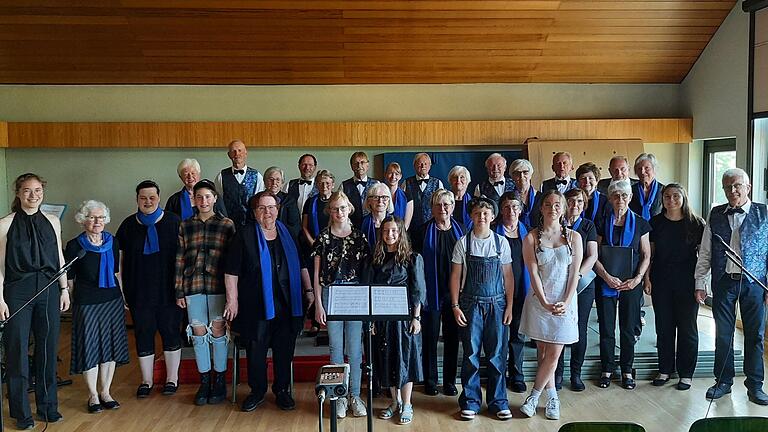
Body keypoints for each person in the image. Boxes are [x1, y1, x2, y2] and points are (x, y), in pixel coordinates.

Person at [225, 191, 312, 412]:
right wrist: (232, 300)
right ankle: (257, 391)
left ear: (278, 209)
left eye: (271, 207)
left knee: (284, 349)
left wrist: (309, 290)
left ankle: (282, 390)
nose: (267, 212)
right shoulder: (243, 235)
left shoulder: (289, 233)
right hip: (255, 306)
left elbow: (301, 264)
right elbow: (231, 271)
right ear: (254, 213)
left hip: (287, 304)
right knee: (256, 350)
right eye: (262, 208)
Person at [0, 173, 70, 429]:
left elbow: (59, 256)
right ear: (18, 193)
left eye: (38, 190)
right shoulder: (5, 224)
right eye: (27, 190)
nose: (33, 195)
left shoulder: (52, 221)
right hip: (17, 291)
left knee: (48, 350)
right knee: (17, 351)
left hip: (50, 288)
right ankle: (21, 413)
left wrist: (64, 289)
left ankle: (48, 407)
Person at [694, 168, 768, 405]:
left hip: (754, 283)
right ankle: (723, 381)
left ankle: (755, 386)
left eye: (737, 185)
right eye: (727, 187)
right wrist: (700, 282)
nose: (732, 190)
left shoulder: (764, 213)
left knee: (755, 336)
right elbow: (705, 251)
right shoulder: (715, 214)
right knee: (723, 335)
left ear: (748, 187)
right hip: (724, 282)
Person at [518, 190, 583, 420]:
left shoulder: (574, 237)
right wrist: (544, 301)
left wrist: (565, 300)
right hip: (540, 301)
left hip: (565, 301)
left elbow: (575, 273)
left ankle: (534, 397)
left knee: (554, 353)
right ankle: (553, 397)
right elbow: (533, 273)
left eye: (557, 205)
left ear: (564, 209)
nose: (553, 208)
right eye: (548, 204)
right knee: (543, 353)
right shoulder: (531, 238)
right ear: (541, 208)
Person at [116, 180, 183, 399]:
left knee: (171, 333)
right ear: (136, 199)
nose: (148, 201)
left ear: (159, 198)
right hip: (139, 292)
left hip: (169, 291)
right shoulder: (127, 226)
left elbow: (185, 258)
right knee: (143, 335)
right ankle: (146, 380)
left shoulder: (174, 222)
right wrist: (123, 290)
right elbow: (120, 261)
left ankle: (172, 378)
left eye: (152, 197)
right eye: (143, 198)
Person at [450, 197, 514, 421]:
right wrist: (456, 306)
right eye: (477, 213)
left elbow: (508, 276)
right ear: (471, 216)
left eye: (486, 213)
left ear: (493, 216)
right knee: (470, 355)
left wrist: (510, 306)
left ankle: (498, 402)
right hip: (470, 304)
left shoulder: (501, 243)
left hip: (497, 304)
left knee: (497, 355)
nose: (482, 217)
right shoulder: (463, 243)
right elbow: (456, 276)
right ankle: (470, 401)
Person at [174, 180, 236, 406]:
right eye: (199, 197)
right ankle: (205, 380)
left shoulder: (226, 224)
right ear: (194, 200)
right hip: (193, 285)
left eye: (207, 197)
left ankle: (219, 380)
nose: (203, 201)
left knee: (218, 331)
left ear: (215, 199)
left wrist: (233, 293)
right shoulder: (185, 225)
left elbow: (232, 262)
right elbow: (179, 258)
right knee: (198, 332)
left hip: (218, 285)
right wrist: (179, 290)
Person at [66, 200, 129, 414]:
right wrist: (72, 301)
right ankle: (92, 394)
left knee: (110, 347)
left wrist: (122, 296)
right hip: (86, 302)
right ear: (83, 220)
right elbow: (70, 279)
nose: (97, 221)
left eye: (101, 217)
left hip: (111, 299)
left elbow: (117, 272)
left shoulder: (113, 241)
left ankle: (106, 392)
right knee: (90, 347)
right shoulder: (75, 245)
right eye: (92, 217)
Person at [312, 191, 371, 419]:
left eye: (343, 208)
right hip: (331, 293)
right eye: (335, 209)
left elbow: (366, 273)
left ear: (349, 210)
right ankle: (338, 396)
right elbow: (317, 274)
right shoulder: (323, 238)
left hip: (354, 294)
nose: (339, 212)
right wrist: (318, 304)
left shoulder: (359, 237)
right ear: (330, 211)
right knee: (336, 348)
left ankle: (354, 395)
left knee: (355, 349)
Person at [593, 180, 651, 390]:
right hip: (606, 281)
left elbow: (646, 255)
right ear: (609, 199)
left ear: (630, 198)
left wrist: (638, 279)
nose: (620, 200)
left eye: (624, 196)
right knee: (607, 328)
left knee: (628, 329)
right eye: (616, 196)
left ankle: (627, 369)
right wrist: (607, 276)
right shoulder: (601, 221)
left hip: (631, 283)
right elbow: (595, 255)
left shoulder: (641, 222)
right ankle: (607, 369)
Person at [646, 184, 704, 391]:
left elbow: (703, 258)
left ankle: (686, 373)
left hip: (688, 282)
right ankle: (665, 369)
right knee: (664, 327)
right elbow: (649, 255)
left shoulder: (696, 224)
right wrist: (647, 278)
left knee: (688, 329)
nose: (671, 200)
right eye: (667, 196)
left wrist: (701, 284)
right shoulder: (655, 223)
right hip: (661, 280)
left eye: (676, 196)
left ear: (683, 198)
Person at [410, 189, 465, 397]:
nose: (442, 208)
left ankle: (450, 381)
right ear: (432, 208)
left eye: (446, 205)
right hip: (430, 293)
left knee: (452, 337)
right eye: (438, 205)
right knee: (430, 337)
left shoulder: (462, 230)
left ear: (452, 207)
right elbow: (414, 265)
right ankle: (430, 380)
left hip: (454, 294)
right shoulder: (421, 231)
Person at [373, 217, 426, 425]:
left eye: (394, 231)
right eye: (386, 231)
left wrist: (416, 317)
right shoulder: (376, 258)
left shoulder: (413, 258)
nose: (390, 235)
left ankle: (407, 403)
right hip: (383, 320)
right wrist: (372, 321)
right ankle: (394, 402)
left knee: (405, 359)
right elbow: (371, 288)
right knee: (388, 360)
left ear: (401, 232)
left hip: (405, 320)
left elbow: (417, 290)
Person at [555, 188, 599, 392]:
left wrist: (577, 276)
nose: (575, 205)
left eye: (580, 202)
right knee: (558, 328)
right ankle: (556, 374)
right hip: (557, 282)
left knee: (579, 328)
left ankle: (576, 374)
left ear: (584, 204)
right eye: (571, 201)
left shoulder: (589, 226)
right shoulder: (556, 224)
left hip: (582, 285)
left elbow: (592, 256)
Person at [491, 191, 529, 394]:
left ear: (520, 210)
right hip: (497, 293)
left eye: (515, 207)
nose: (511, 211)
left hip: (522, 292)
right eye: (506, 207)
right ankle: (498, 374)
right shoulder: (492, 232)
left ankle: (517, 375)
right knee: (498, 337)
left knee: (518, 336)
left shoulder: (529, 233)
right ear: (500, 210)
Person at [215, 139, 265, 227]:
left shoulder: (257, 176)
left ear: (246, 153)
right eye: (233, 151)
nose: (237, 154)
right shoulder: (221, 176)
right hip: (228, 226)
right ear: (229, 155)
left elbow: (259, 203)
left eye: (240, 150)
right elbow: (218, 203)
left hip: (250, 224)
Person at [403, 153, 443, 230]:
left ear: (430, 166)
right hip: (411, 227)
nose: (423, 166)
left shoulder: (438, 183)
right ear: (414, 165)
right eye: (420, 163)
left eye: (425, 163)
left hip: (432, 227)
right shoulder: (406, 183)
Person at [341, 151, 379, 227]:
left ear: (367, 165)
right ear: (351, 166)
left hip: (372, 225)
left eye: (362, 162)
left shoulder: (377, 184)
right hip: (351, 226)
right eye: (356, 163)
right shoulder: (344, 185)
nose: (359, 166)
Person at [263, 166, 301, 241]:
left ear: (282, 182)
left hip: (284, 239)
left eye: (278, 180)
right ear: (264, 181)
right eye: (271, 179)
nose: (274, 183)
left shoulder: (290, 200)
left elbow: (295, 225)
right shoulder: (256, 200)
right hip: (262, 238)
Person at [629, 153, 664, 221]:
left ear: (654, 169)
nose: (642, 172)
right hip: (637, 228)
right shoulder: (631, 190)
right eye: (639, 168)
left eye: (646, 168)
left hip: (658, 228)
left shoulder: (664, 190)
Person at [361, 182, 393, 250]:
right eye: (376, 197)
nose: (380, 201)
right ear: (369, 201)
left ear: (389, 201)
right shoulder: (362, 223)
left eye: (384, 197)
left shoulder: (396, 223)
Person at [509, 158, 539, 228]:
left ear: (530, 175)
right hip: (516, 234)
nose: (521, 176)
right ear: (512, 176)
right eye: (517, 173)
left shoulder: (541, 197)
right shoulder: (508, 198)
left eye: (525, 172)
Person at [383, 162, 413, 228]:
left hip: (401, 234)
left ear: (400, 176)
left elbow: (406, 224)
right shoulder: (380, 196)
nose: (393, 176)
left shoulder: (407, 197)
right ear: (385, 175)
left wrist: (398, 235)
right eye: (390, 173)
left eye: (396, 174)